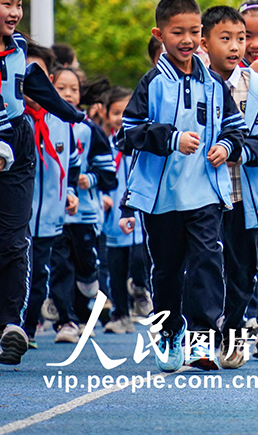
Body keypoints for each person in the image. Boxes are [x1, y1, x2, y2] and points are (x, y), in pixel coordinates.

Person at [116, 0, 247, 372]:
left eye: (193, 31)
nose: (187, 40)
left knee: (208, 261)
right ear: (159, 35)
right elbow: (128, 132)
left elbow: (235, 128)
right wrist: (171, 139)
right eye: (178, 32)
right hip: (162, 198)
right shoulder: (152, 82)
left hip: (206, 193)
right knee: (167, 270)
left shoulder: (214, 83)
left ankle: (202, 340)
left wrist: (225, 146)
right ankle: (169, 332)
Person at [0, 0, 83, 366]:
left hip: (17, 142)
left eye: (19, 4)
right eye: (6, 3)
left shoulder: (18, 46)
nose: (15, 12)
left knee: (14, 238)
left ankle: (10, 322)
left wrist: (70, 112)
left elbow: (33, 84)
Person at [200, 6, 258, 368]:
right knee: (203, 266)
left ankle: (234, 332)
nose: (237, 46)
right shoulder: (191, 83)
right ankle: (199, 338)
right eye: (226, 38)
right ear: (204, 42)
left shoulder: (254, 84)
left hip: (244, 195)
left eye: (240, 39)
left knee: (242, 269)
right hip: (199, 195)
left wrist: (246, 150)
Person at [48, 65, 117, 343]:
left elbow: (109, 173)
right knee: (60, 265)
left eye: (73, 89)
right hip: (54, 213)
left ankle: (87, 289)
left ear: (80, 95)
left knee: (85, 267)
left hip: (86, 214)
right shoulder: (43, 124)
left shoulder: (88, 129)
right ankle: (66, 321)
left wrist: (90, 178)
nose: (67, 94)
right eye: (61, 88)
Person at [21, 49, 80, 349]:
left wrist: (70, 192)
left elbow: (72, 163)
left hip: (49, 216)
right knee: (14, 270)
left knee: (40, 273)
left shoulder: (62, 120)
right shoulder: (12, 119)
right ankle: (8, 323)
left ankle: (27, 329)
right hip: (16, 215)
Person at [101, 86, 153, 334]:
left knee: (141, 259)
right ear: (106, 115)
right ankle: (120, 314)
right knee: (116, 268)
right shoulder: (104, 145)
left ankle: (141, 288)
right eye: (116, 113)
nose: (121, 119)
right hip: (114, 219)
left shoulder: (144, 141)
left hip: (140, 215)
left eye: (126, 113)